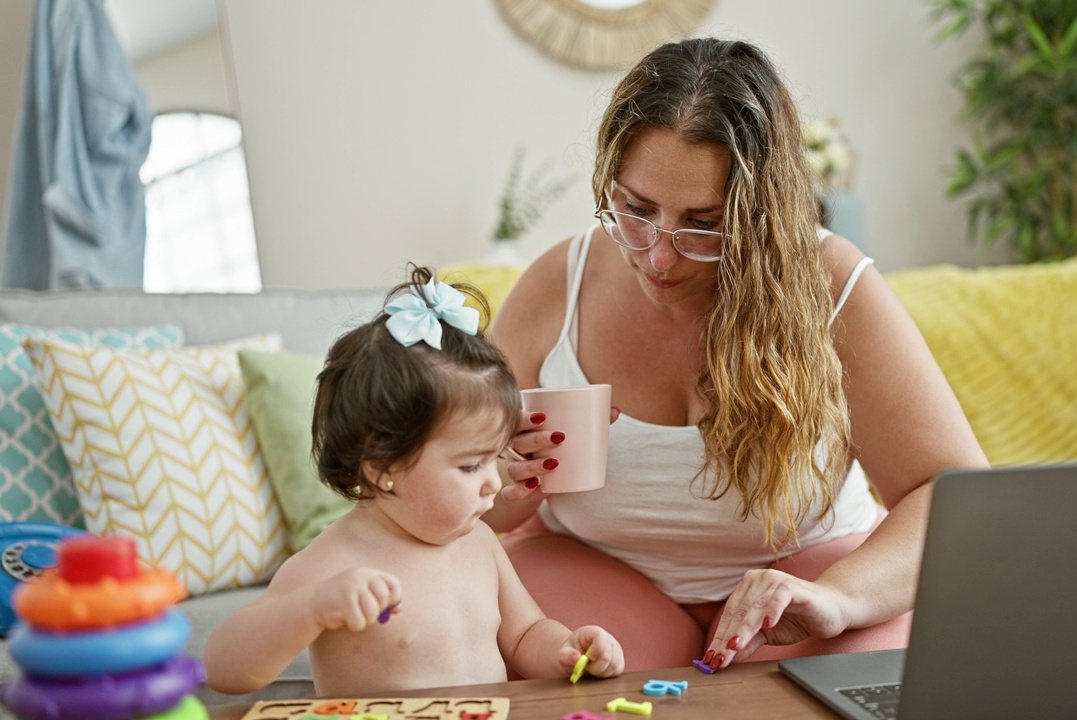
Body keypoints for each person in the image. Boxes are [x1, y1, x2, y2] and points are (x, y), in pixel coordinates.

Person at [484, 37, 989, 672]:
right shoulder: (559, 284)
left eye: (703, 223)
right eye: (637, 210)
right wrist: (499, 481)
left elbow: (953, 493)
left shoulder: (831, 286)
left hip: (805, 571)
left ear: (762, 215)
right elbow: (465, 495)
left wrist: (836, 598)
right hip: (589, 566)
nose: (659, 256)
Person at [204, 266, 624, 696]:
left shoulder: (477, 541)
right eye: (469, 466)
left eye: (493, 458)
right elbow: (224, 669)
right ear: (382, 467)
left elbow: (524, 634)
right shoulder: (336, 561)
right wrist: (311, 607)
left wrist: (565, 650)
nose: (493, 484)